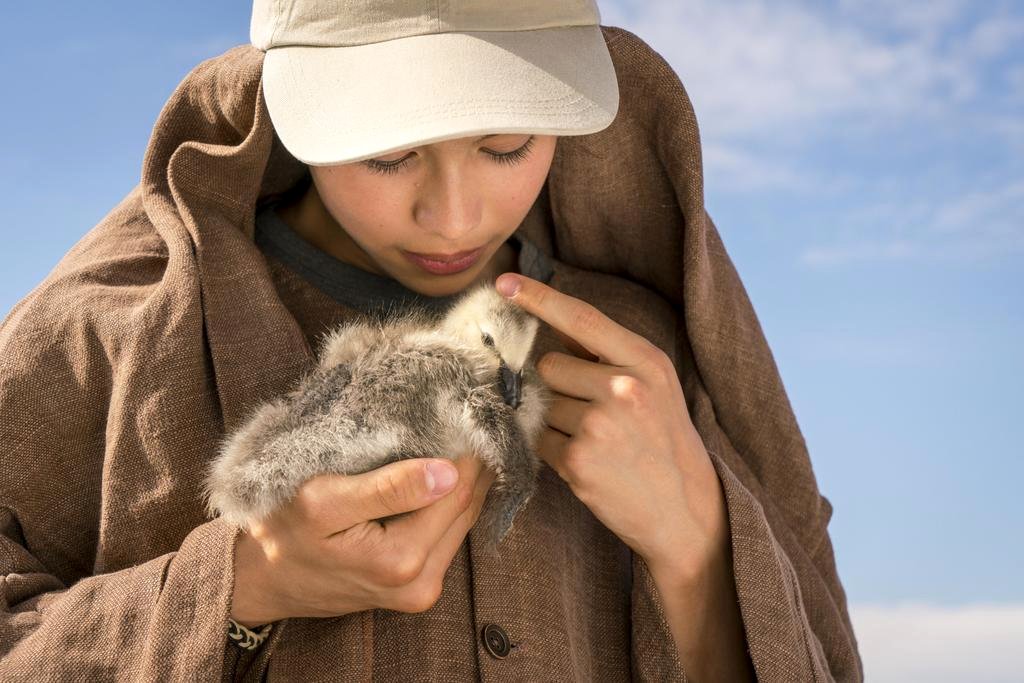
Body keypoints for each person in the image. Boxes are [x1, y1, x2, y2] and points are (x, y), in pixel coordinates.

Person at [0, 1, 864, 681]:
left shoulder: (654, 351)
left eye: (507, 146)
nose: (453, 218)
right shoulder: (110, 331)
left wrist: (696, 545)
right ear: (292, 110)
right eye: (387, 156)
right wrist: (239, 587)